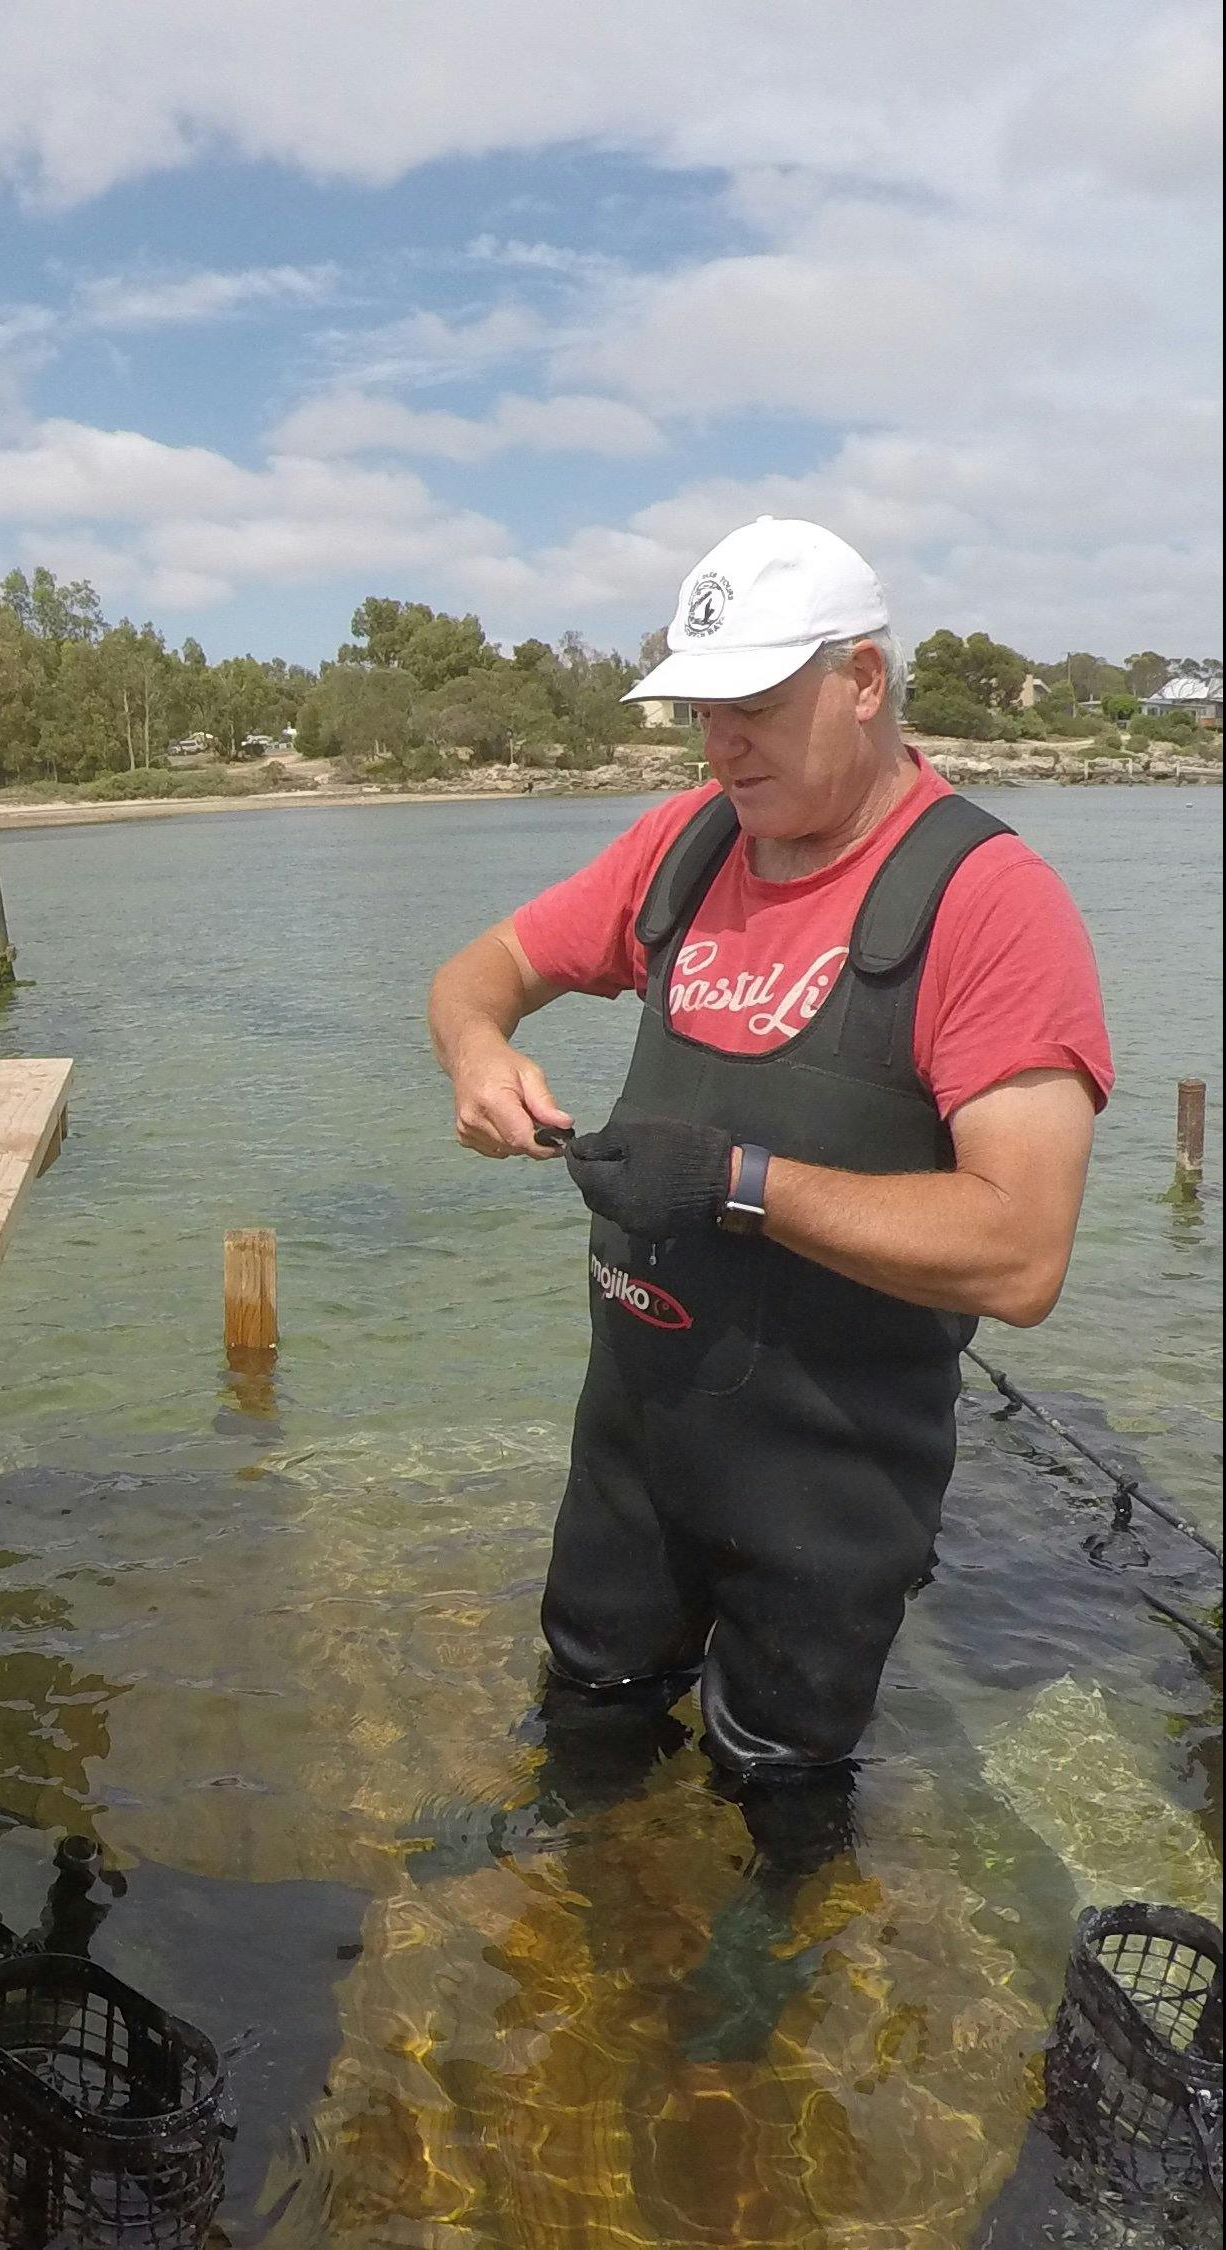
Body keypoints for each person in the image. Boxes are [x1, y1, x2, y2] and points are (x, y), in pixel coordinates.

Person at [425, 518, 1112, 1810]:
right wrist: (477, 1052)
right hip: (628, 1452)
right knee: (584, 1723)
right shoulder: (684, 845)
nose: (717, 742)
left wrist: (734, 1183)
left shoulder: (989, 903)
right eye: (701, 708)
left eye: (752, 705)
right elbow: (483, 970)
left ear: (861, 679)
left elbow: (1021, 1254)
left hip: (825, 1488)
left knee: (781, 1801)